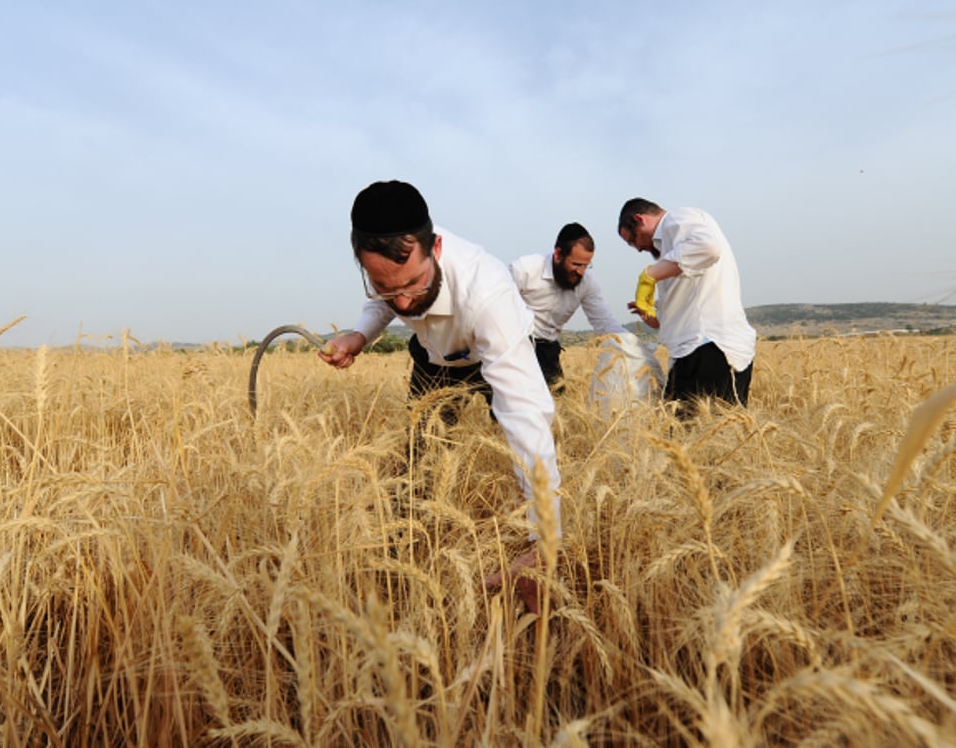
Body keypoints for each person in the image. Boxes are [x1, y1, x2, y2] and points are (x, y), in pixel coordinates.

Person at [320, 180, 560, 612]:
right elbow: (387, 298)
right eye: (386, 286)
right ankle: (400, 555)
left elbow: (525, 415)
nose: (406, 301)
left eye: (414, 281)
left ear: (437, 247)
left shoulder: (488, 294)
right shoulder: (392, 278)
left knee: (515, 439)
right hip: (435, 360)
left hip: (486, 353)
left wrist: (547, 540)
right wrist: (360, 335)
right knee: (419, 456)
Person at [617, 198, 756, 413]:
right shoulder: (670, 253)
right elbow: (690, 301)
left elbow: (708, 248)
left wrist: (649, 276)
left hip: (710, 350)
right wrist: (655, 318)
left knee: (702, 438)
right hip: (694, 351)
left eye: (632, 239)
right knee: (689, 439)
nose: (637, 248)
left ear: (639, 219)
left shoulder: (677, 219)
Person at [509, 222, 627, 392]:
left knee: (556, 404)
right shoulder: (524, 270)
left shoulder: (587, 284)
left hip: (548, 350)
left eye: (586, 265)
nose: (581, 272)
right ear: (558, 254)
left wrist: (631, 345)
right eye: (576, 264)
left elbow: (605, 322)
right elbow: (496, 309)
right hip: (517, 346)